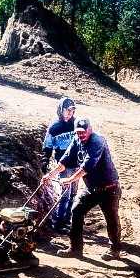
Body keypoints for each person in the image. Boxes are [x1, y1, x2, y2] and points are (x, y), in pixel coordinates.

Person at [42, 118, 122, 260]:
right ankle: (75, 248)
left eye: (83, 131)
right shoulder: (76, 140)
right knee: (77, 210)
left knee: (111, 218)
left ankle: (115, 249)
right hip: (92, 187)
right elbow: (65, 161)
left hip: (109, 187)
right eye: (78, 131)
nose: (81, 134)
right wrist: (49, 175)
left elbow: (89, 164)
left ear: (90, 129)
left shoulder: (98, 141)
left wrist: (70, 179)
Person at [41, 98, 79, 233]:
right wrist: (44, 161)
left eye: (72, 110)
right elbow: (47, 146)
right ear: (60, 110)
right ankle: (58, 222)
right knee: (65, 193)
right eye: (67, 110)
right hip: (63, 164)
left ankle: (67, 219)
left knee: (74, 193)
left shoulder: (76, 124)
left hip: (77, 163)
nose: (69, 113)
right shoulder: (54, 127)